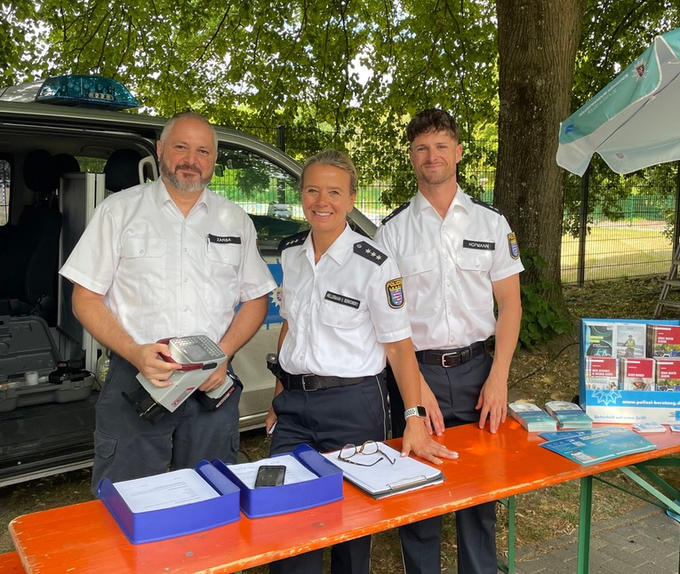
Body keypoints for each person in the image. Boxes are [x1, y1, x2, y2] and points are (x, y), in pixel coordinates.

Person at [59, 112, 275, 494]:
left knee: (212, 502)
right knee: (128, 504)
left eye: (202, 151)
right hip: (137, 380)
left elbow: (256, 299)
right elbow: (85, 298)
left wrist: (222, 354)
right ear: (160, 151)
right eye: (180, 147)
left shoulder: (234, 220)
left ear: (213, 159)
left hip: (212, 384)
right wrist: (134, 351)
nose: (191, 160)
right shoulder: (119, 211)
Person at [265, 149, 457, 574]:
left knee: (349, 525)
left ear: (351, 200)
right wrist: (278, 393)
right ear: (301, 196)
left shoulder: (375, 263)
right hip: (294, 408)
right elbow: (292, 325)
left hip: (352, 406)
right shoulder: (291, 253)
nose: (322, 201)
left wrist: (413, 417)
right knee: (287, 522)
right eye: (312, 190)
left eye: (334, 191)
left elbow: (399, 347)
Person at [373, 108, 524, 574]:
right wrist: (415, 391)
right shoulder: (391, 232)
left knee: (480, 493)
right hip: (417, 374)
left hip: (480, 372)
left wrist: (499, 378)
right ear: (412, 158)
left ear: (458, 153)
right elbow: (387, 321)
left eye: (441, 146)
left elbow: (511, 307)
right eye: (421, 148)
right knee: (419, 491)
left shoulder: (491, 223)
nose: (431, 156)